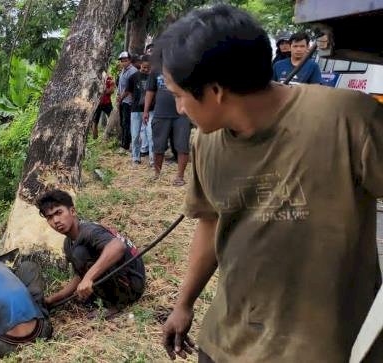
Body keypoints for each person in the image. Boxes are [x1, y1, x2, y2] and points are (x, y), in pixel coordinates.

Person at [153, 5, 383, 362]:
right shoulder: (206, 143)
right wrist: (184, 303)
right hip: (225, 343)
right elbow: (211, 221)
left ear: (215, 90)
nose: (179, 109)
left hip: (321, 349)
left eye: (179, 95)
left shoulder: (348, 119)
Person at [37, 189, 145, 318]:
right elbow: (80, 276)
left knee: (80, 253)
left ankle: (114, 305)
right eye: (50, 217)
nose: (56, 220)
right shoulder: (68, 243)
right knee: (79, 257)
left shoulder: (88, 231)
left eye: (59, 213)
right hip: (123, 280)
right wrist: (53, 299)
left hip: (132, 284)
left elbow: (117, 246)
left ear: (72, 211)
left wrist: (88, 278)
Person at [146, 66, 191, 186]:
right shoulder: (156, 70)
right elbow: (150, 91)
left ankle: (180, 177)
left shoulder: (185, 67)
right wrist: (146, 111)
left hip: (182, 114)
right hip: (161, 113)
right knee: (158, 146)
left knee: (182, 146)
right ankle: (157, 174)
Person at [127, 56, 153, 164]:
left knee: (151, 134)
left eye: (148, 68)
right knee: (135, 134)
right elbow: (131, 92)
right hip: (136, 110)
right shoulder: (133, 77)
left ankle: (152, 159)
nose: (145, 69)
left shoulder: (153, 78)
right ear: (140, 65)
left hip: (151, 109)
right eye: (143, 67)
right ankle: (136, 158)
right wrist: (136, 102)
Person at [116, 51, 138, 151]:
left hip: (128, 101)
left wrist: (121, 97)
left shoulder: (133, 71)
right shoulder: (123, 71)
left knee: (127, 123)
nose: (123, 62)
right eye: (122, 61)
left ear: (129, 60)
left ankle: (126, 145)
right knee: (123, 122)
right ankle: (124, 143)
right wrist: (118, 97)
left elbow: (129, 88)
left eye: (125, 60)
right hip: (122, 100)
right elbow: (120, 86)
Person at [91, 73, 114, 139]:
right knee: (95, 121)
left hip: (107, 102)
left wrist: (105, 89)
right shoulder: (94, 78)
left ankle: (109, 134)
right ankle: (94, 136)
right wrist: (104, 89)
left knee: (111, 117)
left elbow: (111, 91)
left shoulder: (109, 78)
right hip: (97, 103)